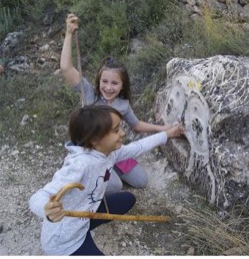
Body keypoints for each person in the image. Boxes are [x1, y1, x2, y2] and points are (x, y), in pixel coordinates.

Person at [28, 106, 185, 255]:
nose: (123, 133)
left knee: (128, 199)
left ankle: (87, 223)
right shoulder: (80, 164)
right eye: (116, 130)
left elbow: (138, 147)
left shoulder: (108, 152)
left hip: (84, 216)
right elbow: (38, 196)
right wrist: (47, 210)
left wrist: (167, 134)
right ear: (95, 139)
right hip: (65, 242)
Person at [60, 13, 177, 193]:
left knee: (141, 181)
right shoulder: (89, 95)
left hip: (114, 150)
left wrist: (163, 129)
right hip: (92, 153)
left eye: (114, 83)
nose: (108, 87)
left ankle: (111, 167)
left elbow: (136, 125)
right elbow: (66, 68)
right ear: (98, 81)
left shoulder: (123, 104)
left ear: (122, 86)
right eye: (104, 81)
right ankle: (86, 176)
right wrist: (69, 34)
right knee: (115, 187)